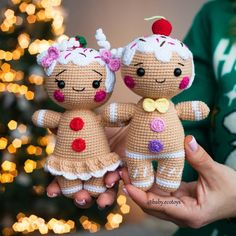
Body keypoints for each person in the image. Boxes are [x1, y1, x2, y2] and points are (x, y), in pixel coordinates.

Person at [47, 0, 236, 235]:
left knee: (170, 162)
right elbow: (195, 121)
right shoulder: (217, 14)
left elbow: (194, 109)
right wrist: (108, 127)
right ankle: (144, 176)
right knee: (140, 165)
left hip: (191, 182)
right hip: (196, 218)